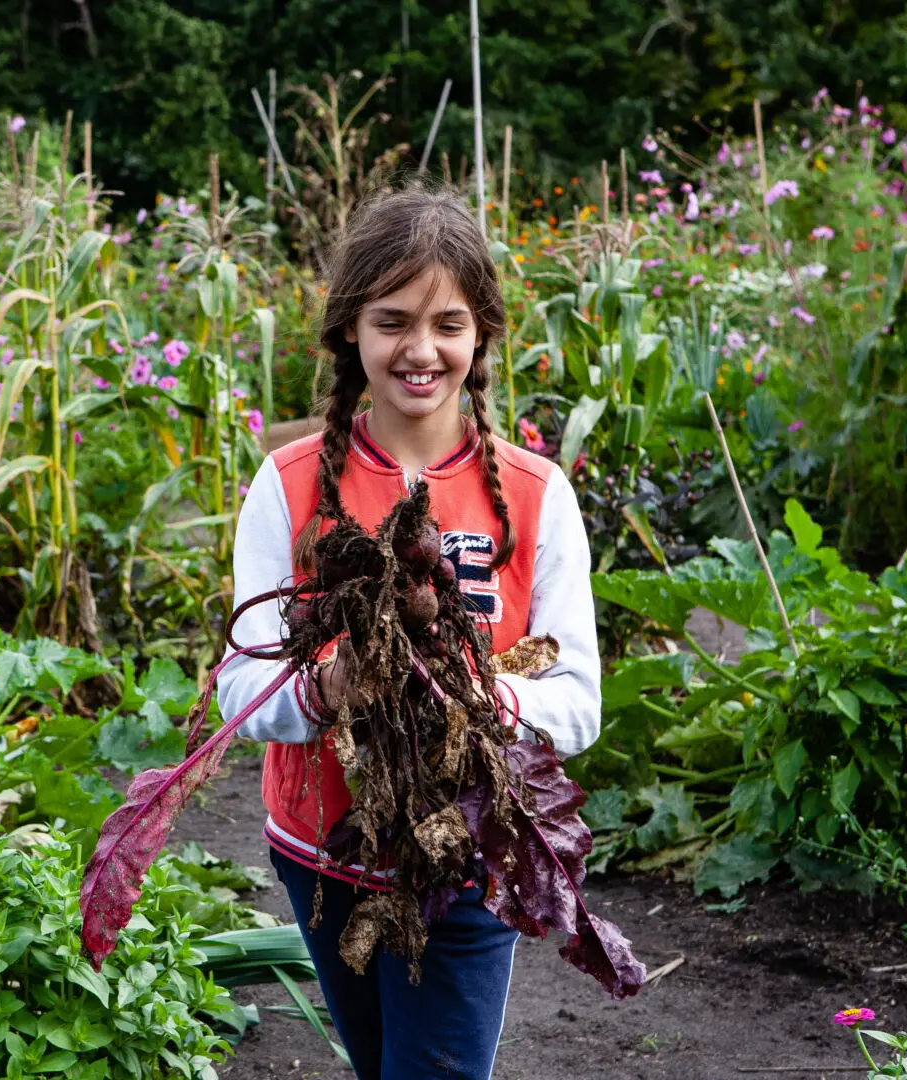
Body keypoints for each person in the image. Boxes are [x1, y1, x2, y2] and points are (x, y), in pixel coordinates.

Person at [216, 186, 602, 1080]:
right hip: (322, 855)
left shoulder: (537, 495)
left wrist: (480, 698)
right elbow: (240, 686)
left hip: (468, 856)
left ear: (481, 335)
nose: (421, 351)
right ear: (351, 330)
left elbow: (579, 705)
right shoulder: (289, 483)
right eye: (392, 322)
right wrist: (329, 686)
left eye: (448, 324)